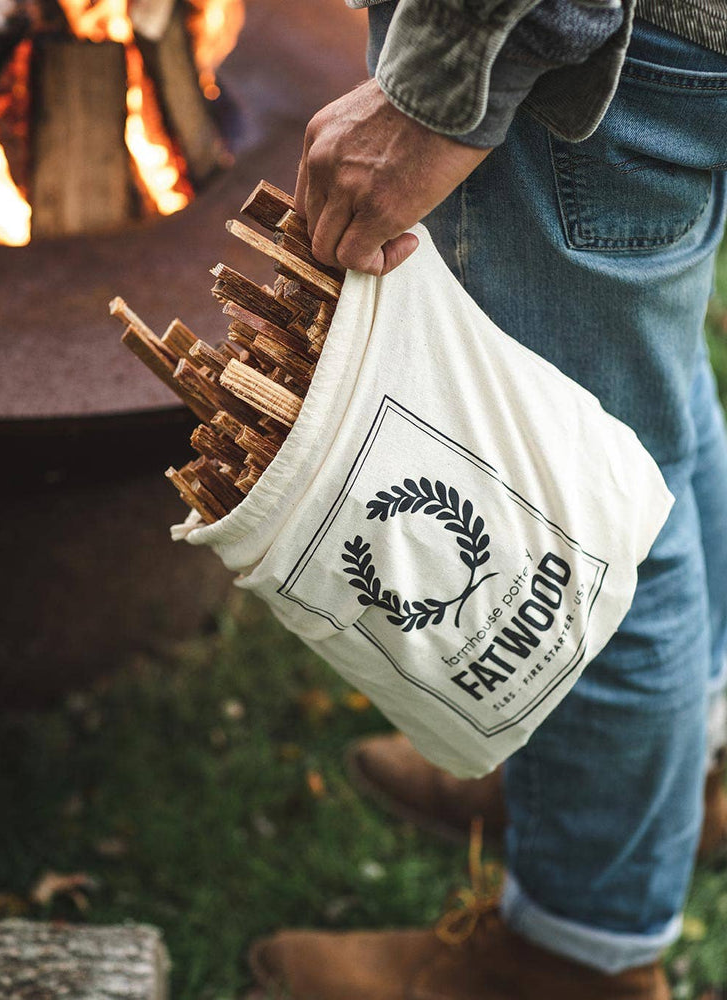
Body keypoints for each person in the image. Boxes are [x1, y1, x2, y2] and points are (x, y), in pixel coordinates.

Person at [246, 1, 727, 997]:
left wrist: (438, 93)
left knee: (572, 527)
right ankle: (686, 766)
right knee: (642, 436)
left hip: (586, 67)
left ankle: (574, 948)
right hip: (658, 45)